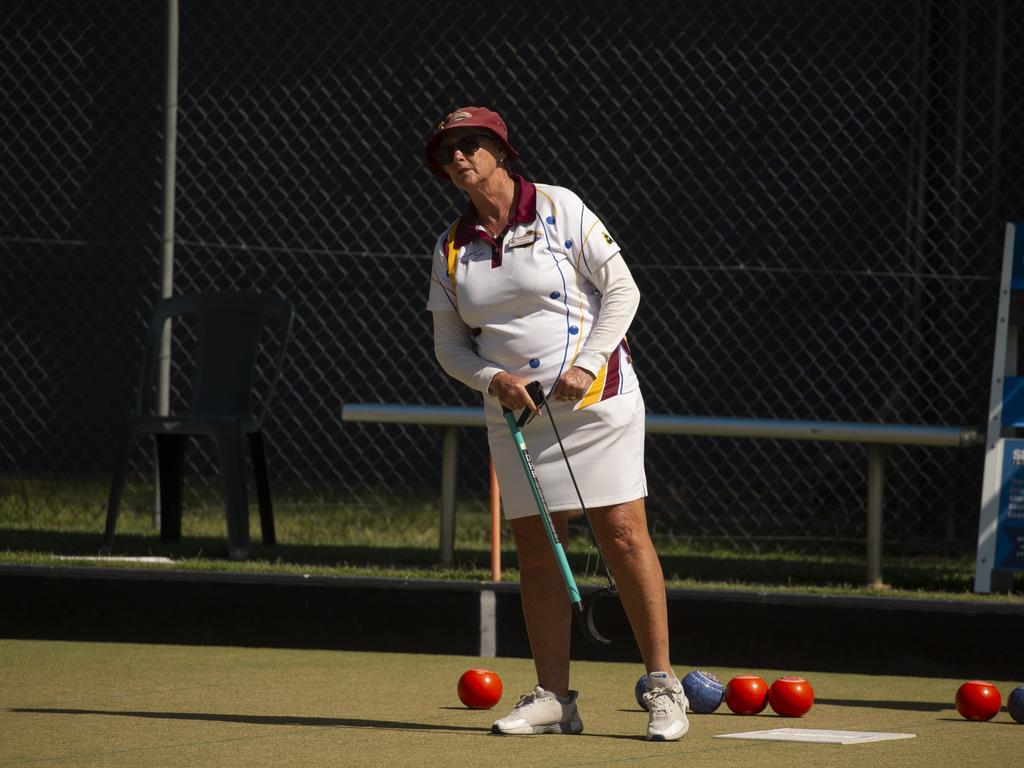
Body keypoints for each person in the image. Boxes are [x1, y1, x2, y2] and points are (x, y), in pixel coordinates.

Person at [423, 106, 687, 742]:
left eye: (471, 144)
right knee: (539, 552)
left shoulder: (560, 208)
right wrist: (495, 382)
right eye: (448, 149)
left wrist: (587, 363)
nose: (459, 156)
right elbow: (450, 345)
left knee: (623, 533)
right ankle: (555, 699)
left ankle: (663, 686)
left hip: (598, 401)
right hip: (517, 418)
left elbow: (622, 291)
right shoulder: (451, 247)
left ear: (501, 150)